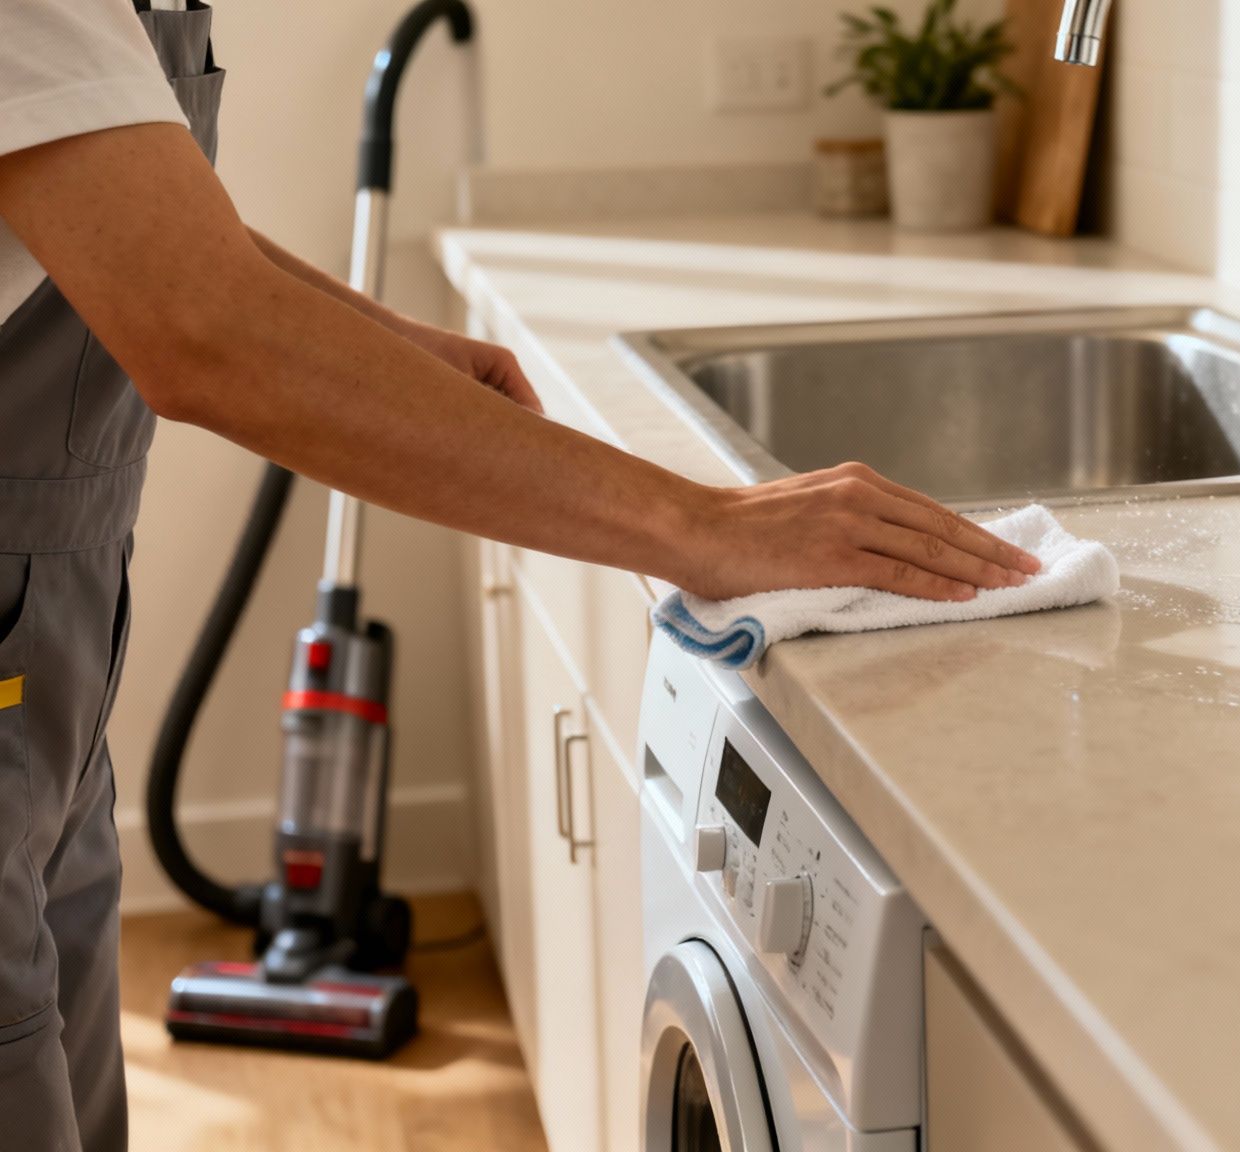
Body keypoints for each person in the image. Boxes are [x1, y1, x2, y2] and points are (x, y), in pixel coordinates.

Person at [0, 2, 1040, 1147]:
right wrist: (701, 524)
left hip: (56, 650)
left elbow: (138, 225)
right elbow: (196, 323)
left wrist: (384, 340)